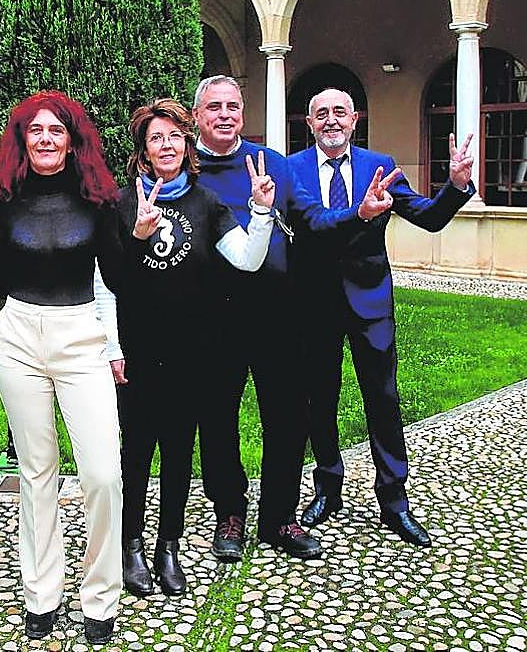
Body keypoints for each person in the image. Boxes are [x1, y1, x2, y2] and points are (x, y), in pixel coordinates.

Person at [0, 91, 143, 646]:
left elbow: (120, 280)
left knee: (102, 473)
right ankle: (41, 593)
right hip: (20, 335)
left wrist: (138, 239)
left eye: (57, 130)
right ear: (22, 140)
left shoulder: (98, 201)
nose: (46, 139)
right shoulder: (5, 201)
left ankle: (100, 596)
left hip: (80, 336)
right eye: (36, 130)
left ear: (72, 140)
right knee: (36, 472)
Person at [190, 75, 395, 562]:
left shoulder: (272, 164)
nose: (225, 115)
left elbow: (313, 220)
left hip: (277, 313)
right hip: (213, 316)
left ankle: (279, 517)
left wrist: (359, 214)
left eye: (233, 106)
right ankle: (229, 512)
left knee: (288, 418)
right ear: (196, 116)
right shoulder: (188, 169)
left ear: (243, 113)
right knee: (217, 421)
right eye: (214, 107)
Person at [100, 98, 278, 598]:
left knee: (179, 452)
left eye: (174, 136)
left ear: (186, 144)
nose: (167, 145)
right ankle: (131, 544)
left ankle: (168, 546)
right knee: (136, 453)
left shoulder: (206, 203)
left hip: (193, 351)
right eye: (156, 138)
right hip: (138, 350)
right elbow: (107, 283)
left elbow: (246, 259)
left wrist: (261, 212)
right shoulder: (120, 204)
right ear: (143, 150)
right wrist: (112, 346)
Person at [289, 87, 474, 547]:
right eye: (321, 114)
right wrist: (360, 213)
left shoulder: (380, 166)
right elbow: (313, 224)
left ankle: (394, 501)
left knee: (383, 400)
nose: (331, 120)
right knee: (319, 400)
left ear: (355, 119)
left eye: (340, 112)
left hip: (370, 302)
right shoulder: (293, 168)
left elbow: (428, 217)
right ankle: (327, 489)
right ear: (309, 124)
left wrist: (455, 186)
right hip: (312, 303)